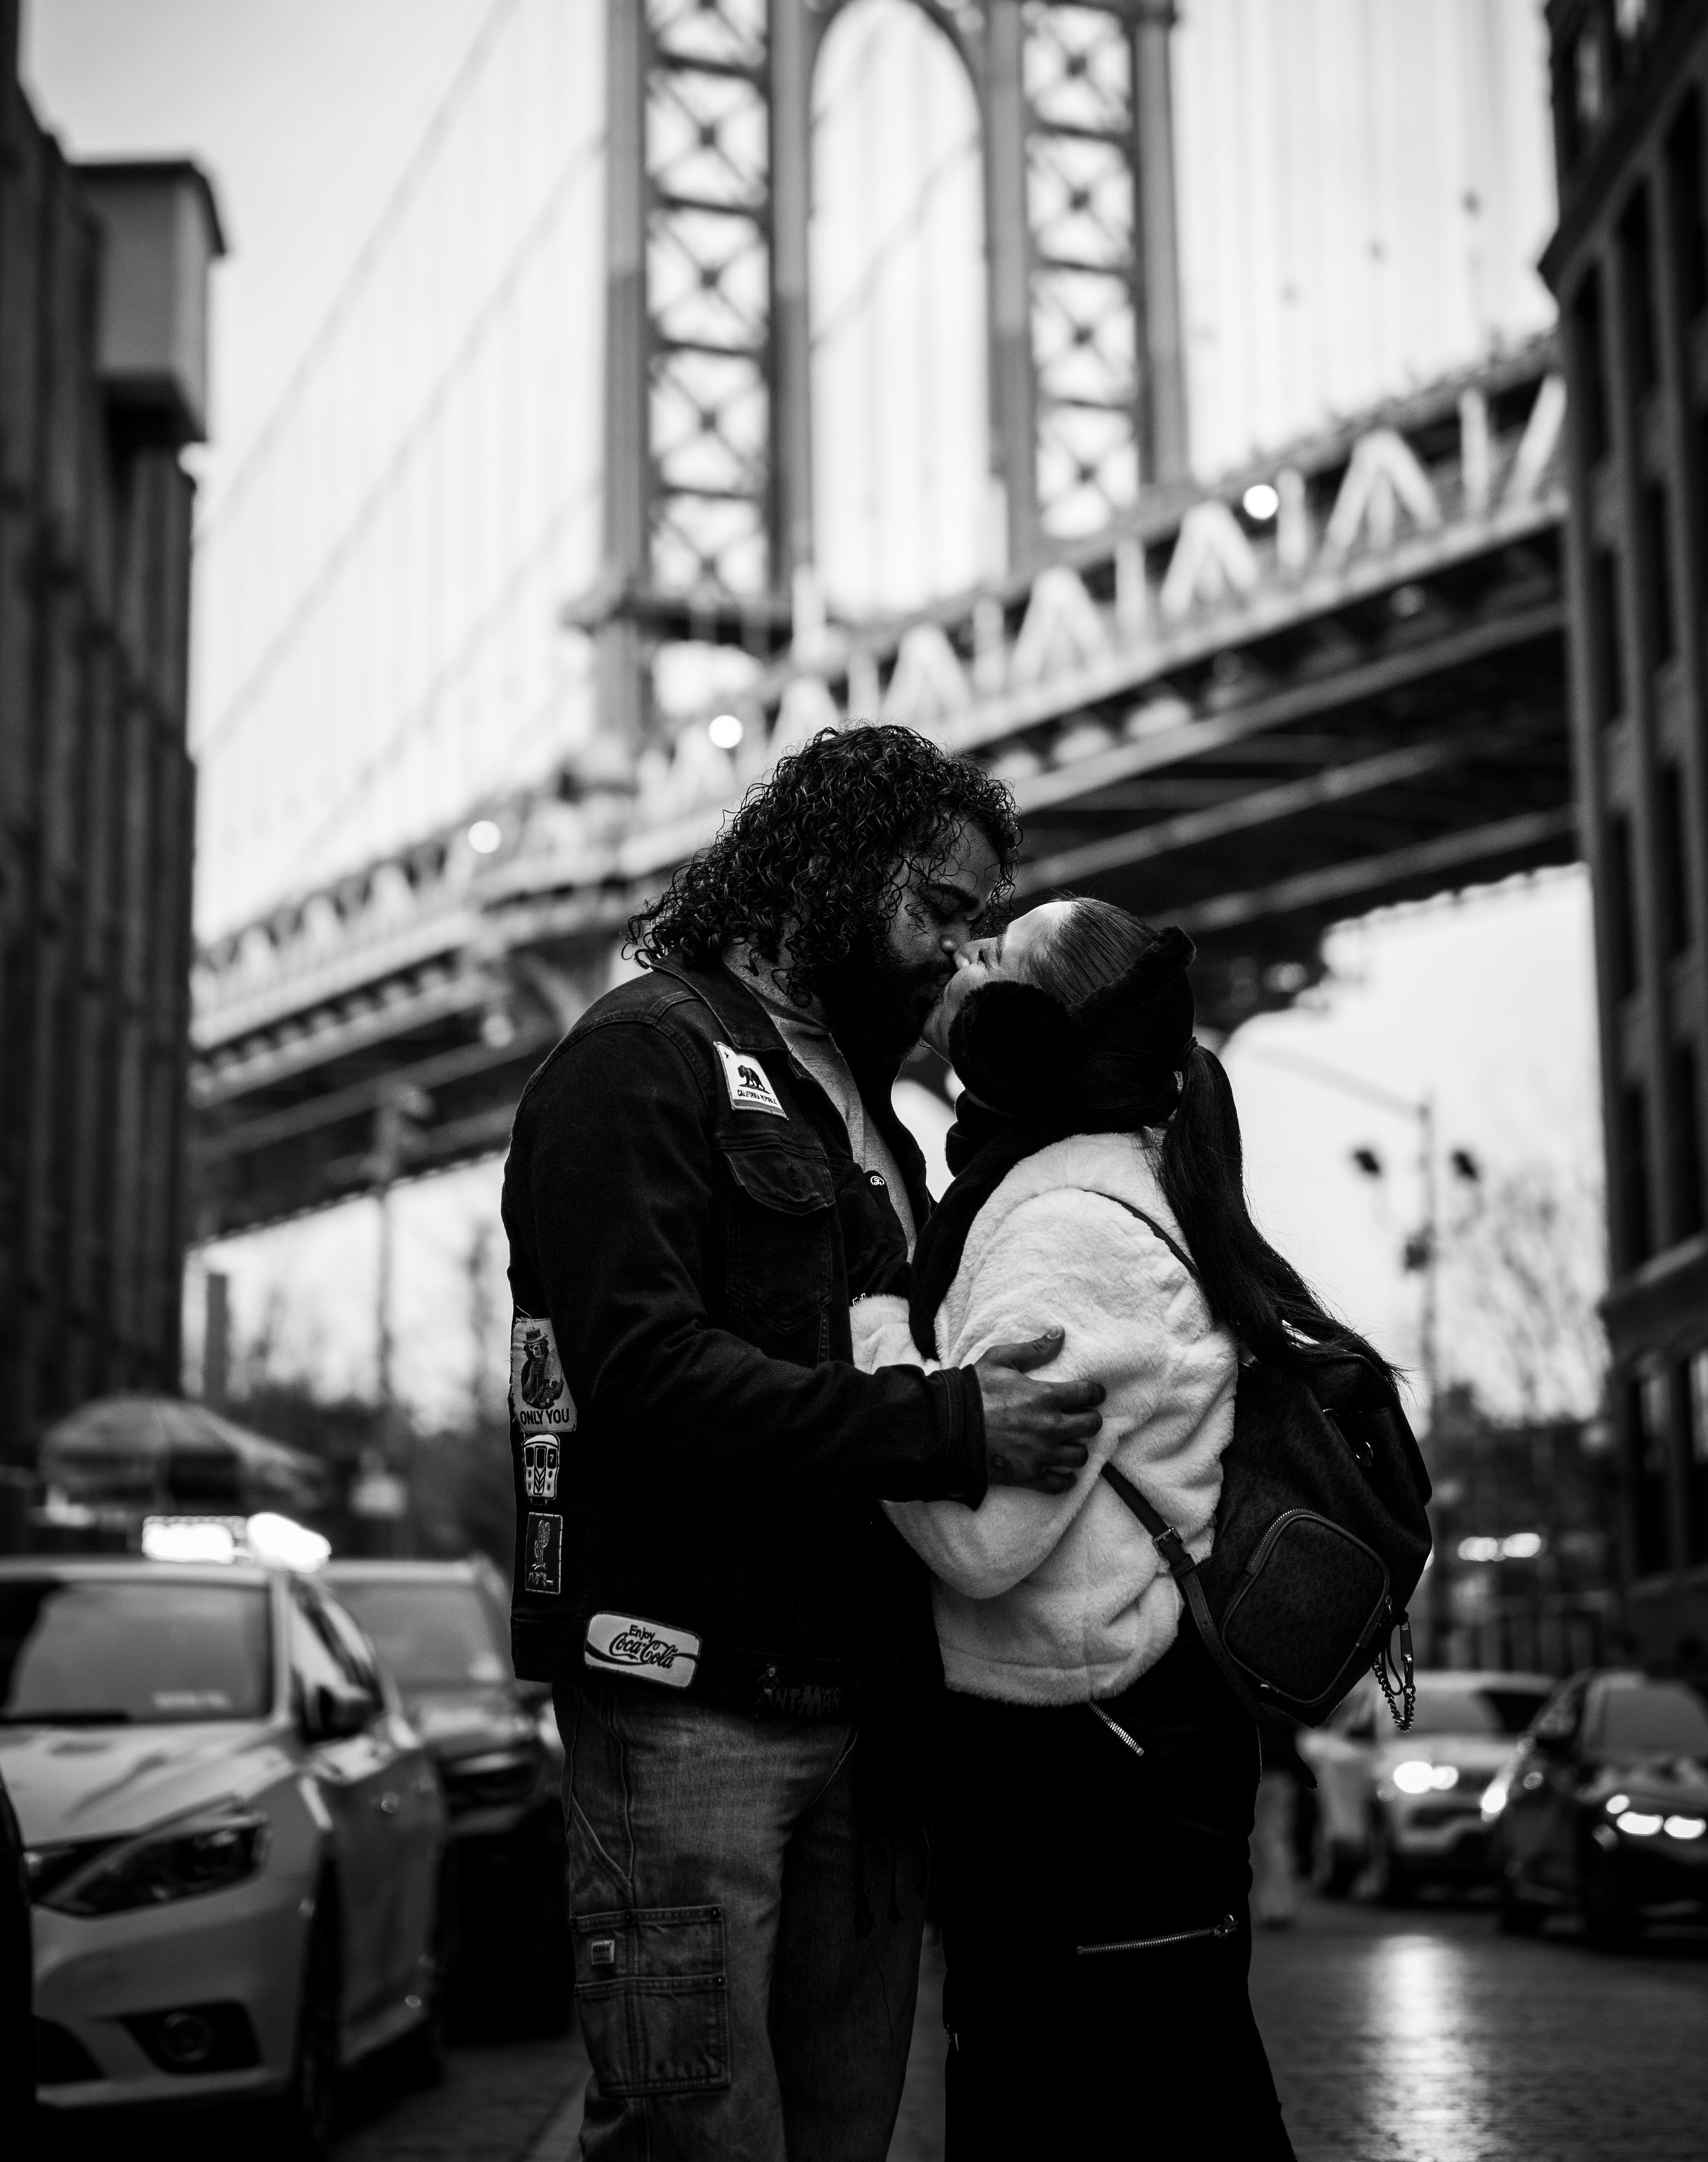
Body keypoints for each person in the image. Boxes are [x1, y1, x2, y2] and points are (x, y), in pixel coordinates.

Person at [501, 726, 1108, 2162]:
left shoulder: (872, 1109)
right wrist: (951, 1425)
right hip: (686, 1711)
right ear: (829, 871)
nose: (954, 957)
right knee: (689, 2136)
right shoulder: (636, 1058)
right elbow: (640, 1370)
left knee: (846, 2139)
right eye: (937, 908)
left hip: (868, 1720)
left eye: (974, 923)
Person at [854, 896, 1392, 2159]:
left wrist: (874, 1330)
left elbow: (982, 1540)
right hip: (1119, 1767)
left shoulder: (1066, 1235)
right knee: (1172, 2103)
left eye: (995, 959)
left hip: (1087, 1784)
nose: (962, 962)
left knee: (1103, 2115)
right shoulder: (1090, 1197)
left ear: (1026, 1035)